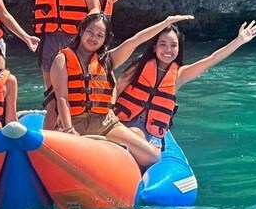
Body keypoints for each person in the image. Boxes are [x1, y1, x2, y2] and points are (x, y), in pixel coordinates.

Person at [50, 12, 194, 168]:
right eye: (90, 31)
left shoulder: (108, 60)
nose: (93, 38)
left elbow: (135, 40)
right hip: (75, 122)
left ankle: (120, 155)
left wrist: (166, 22)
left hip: (106, 122)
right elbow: (62, 98)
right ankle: (114, 151)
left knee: (152, 156)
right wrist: (69, 129)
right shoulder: (62, 59)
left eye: (100, 35)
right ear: (81, 31)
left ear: (105, 39)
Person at [114, 20, 256, 149]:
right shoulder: (140, 65)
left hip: (150, 132)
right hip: (124, 122)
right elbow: (119, 86)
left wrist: (239, 41)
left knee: (146, 146)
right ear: (155, 47)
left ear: (178, 49)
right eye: (163, 44)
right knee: (135, 135)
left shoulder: (179, 75)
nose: (168, 50)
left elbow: (211, 59)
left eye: (173, 45)